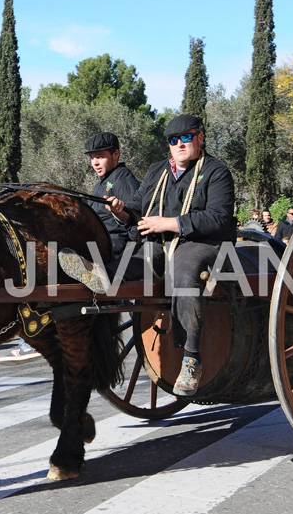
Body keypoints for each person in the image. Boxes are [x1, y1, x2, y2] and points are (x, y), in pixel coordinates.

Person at [58, 114, 235, 397]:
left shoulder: (216, 172)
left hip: (203, 243)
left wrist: (168, 223)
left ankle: (192, 358)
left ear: (199, 138)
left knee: (183, 267)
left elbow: (218, 217)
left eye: (186, 138)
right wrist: (121, 211)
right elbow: (138, 209)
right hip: (160, 243)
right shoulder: (157, 171)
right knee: (134, 258)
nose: (179, 145)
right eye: (173, 141)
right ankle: (100, 276)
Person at [85, 132, 140, 258]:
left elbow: (136, 221)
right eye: (92, 158)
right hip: (96, 242)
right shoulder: (102, 181)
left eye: (99, 157)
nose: (95, 163)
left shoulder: (122, 179)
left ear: (115, 154)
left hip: (114, 249)